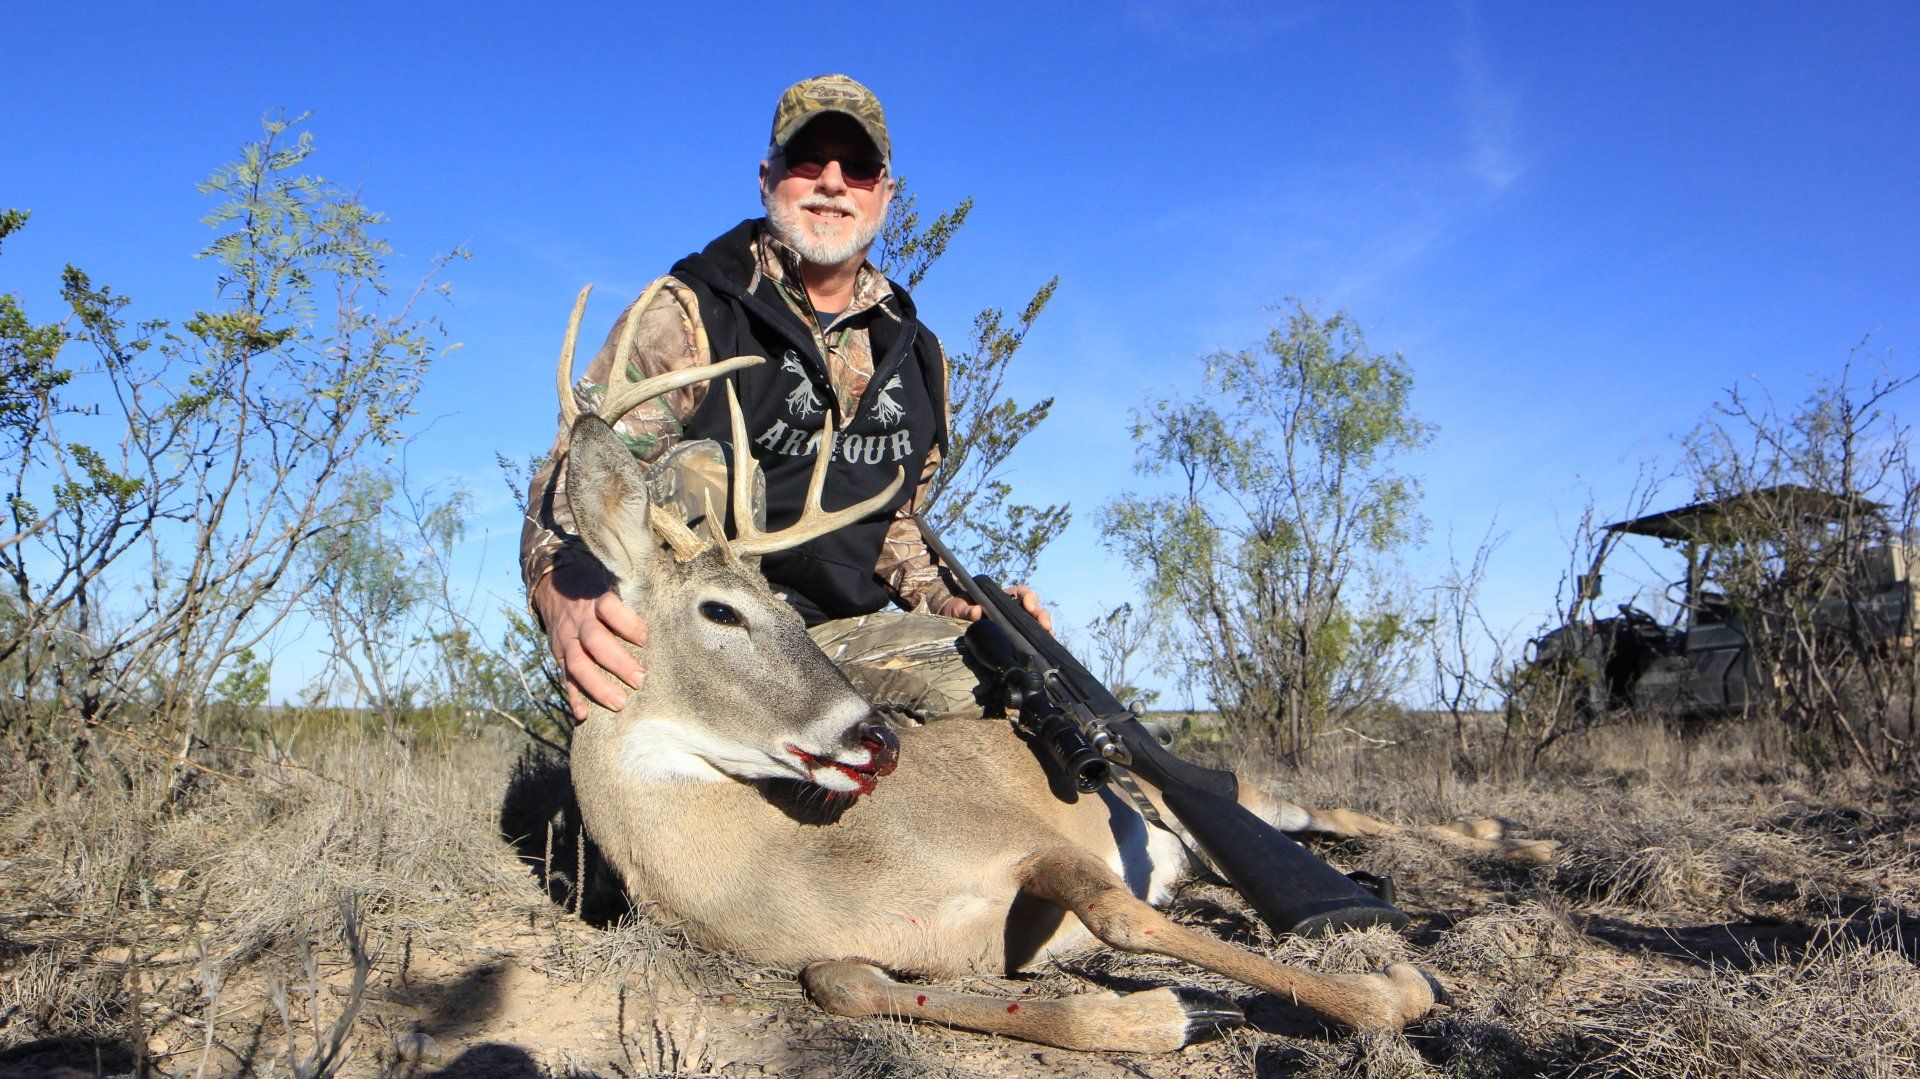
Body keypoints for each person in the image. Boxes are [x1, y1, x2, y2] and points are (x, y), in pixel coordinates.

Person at [523, 73, 1049, 724]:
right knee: (702, 470)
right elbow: (578, 480)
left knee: (1014, 674)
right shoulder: (689, 314)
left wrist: (953, 602)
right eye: (807, 159)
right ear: (767, 177)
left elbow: (892, 524)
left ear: (885, 193)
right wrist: (567, 592)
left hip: (834, 643)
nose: (833, 182)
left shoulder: (919, 358)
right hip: (700, 639)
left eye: (858, 168)